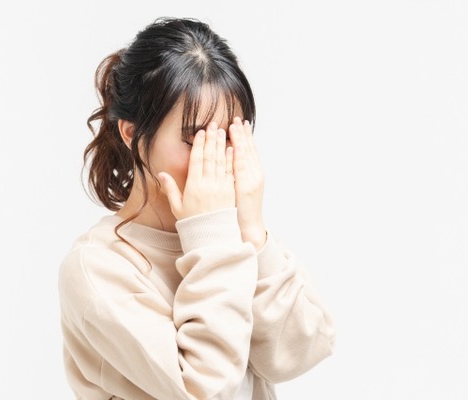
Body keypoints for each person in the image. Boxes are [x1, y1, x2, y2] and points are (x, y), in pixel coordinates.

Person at [58, 17, 335, 399]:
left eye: (230, 135)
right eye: (194, 139)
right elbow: (206, 391)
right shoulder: (97, 267)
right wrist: (210, 235)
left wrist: (253, 232)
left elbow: (301, 352)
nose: (215, 155)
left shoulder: (232, 236)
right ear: (132, 134)